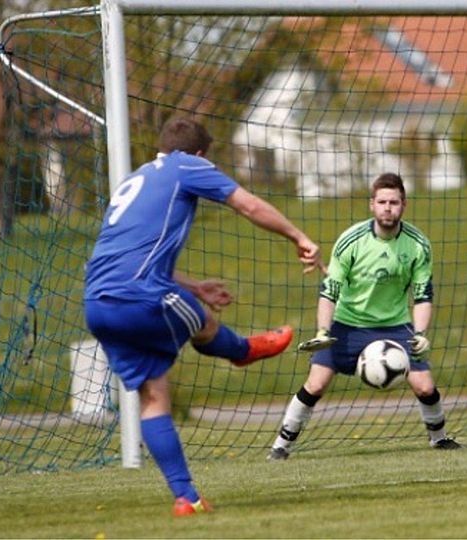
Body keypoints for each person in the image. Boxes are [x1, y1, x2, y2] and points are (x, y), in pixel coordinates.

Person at [83, 117, 323, 516]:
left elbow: (131, 254)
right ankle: (242, 350)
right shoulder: (187, 165)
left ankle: (186, 498)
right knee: (203, 323)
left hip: (98, 303)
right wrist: (298, 236)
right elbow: (247, 203)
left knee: (154, 396)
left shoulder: (135, 179)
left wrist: (195, 287)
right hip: (139, 296)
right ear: (200, 155)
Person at [267, 172, 462, 460]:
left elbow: (422, 296)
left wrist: (420, 333)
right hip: (347, 324)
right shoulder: (350, 241)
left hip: (395, 325)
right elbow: (329, 292)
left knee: (425, 386)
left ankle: (439, 438)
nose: (387, 207)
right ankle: (280, 447)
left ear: (403, 205)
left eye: (394, 202)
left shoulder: (418, 245)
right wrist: (323, 331)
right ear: (372, 204)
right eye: (382, 201)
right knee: (317, 383)